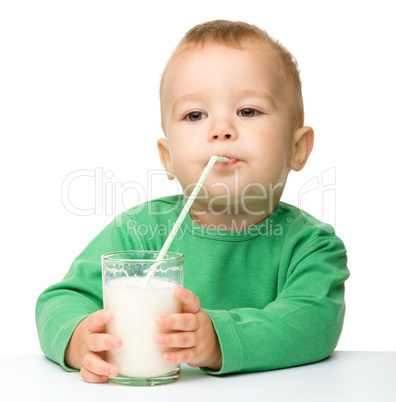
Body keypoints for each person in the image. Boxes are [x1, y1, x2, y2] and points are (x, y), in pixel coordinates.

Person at [36, 20, 349, 383]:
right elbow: (58, 301)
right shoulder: (139, 233)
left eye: (248, 111)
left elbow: (314, 322)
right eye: (194, 115)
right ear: (168, 158)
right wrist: (79, 339)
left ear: (296, 149)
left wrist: (217, 339)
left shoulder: (310, 246)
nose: (220, 129)